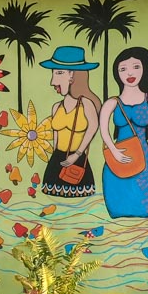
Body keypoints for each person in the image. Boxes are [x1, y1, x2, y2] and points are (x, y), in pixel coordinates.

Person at [99, 47, 148, 218]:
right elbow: (104, 131)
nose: (130, 72)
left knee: (143, 206)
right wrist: (114, 151)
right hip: (118, 157)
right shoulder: (111, 103)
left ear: (145, 68)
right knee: (117, 199)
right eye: (123, 69)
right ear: (117, 73)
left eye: (136, 67)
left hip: (146, 158)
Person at [39, 46, 101, 198]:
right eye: (53, 73)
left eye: (59, 73)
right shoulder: (56, 107)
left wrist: (78, 154)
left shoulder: (86, 104)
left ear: (72, 75)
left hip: (77, 161)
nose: (53, 81)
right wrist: (53, 158)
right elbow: (56, 137)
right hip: (56, 160)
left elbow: (93, 127)